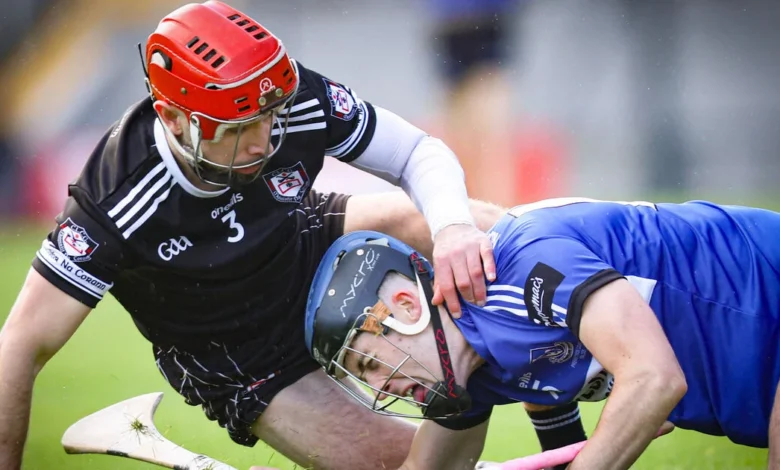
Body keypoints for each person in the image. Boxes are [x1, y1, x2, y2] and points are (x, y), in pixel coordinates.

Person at [0, 2, 507, 469]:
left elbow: (416, 152)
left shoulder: (286, 95)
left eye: (269, 117)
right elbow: (22, 344)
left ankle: (554, 389)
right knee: (411, 465)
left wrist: (453, 229)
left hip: (305, 240)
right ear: (173, 119)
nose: (263, 142)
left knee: (489, 230)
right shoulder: (116, 198)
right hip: (242, 355)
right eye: (237, 128)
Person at [305, 197, 780, 470]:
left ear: (407, 307)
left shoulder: (521, 268)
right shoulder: (467, 373)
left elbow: (654, 378)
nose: (381, 386)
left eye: (369, 362)